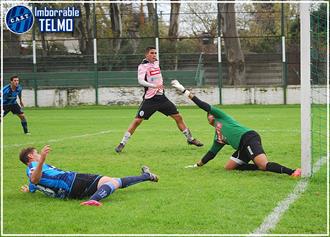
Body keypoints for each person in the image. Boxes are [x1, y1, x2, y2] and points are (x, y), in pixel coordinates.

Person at [171, 80, 301, 177]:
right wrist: (197, 165)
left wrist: (184, 91)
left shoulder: (221, 116)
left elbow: (202, 105)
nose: (210, 115)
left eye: (210, 113)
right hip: (242, 147)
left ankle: (292, 172)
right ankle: (257, 166)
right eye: (208, 115)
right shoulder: (218, 137)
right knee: (229, 167)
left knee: (264, 164)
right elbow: (211, 154)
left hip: (249, 138)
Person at [115, 46, 203, 153]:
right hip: (150, 99)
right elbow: (140, 81)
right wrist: (153, 85)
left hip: (161, 98)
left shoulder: (156, 63)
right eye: (152, 53)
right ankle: (122, 143)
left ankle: (190, 139)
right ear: (146, 55)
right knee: (137, 121)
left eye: (155, 53)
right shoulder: (143, 66)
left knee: (178, 117)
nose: (154, 55)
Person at [19, 145, 159, 206]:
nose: (39, 154)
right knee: (113, 182)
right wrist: (42, 159)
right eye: (36, 153)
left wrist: (28, 190)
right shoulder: (33, 166)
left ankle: (146, 176)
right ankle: (94, 199)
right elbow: (35, 178)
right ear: (31, 156)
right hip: (72, 181)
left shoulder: (32, 173)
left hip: (69, 192)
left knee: (112, 182)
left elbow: (33, 184)